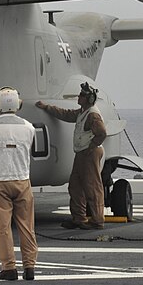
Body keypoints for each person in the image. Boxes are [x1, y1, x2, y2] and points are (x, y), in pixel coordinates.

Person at [0, 86, 38, 281]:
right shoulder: (28, 127)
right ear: (18, 104)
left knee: (2, 227)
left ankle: (9, 267)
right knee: (26, 225)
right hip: (22, 178)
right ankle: (29, 266)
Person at [35, 82, 108, 230]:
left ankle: (97, 220)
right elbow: (67, 114)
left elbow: (101, 133)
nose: (79, 97)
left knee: (92, 187)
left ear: (89, 99)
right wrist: (47, 108)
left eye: (82, 95)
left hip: (89, 153)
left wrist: (91, 146)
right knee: (75, 185)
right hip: (82, 153)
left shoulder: (92, 115)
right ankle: (79, 218)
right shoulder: (83, 112)